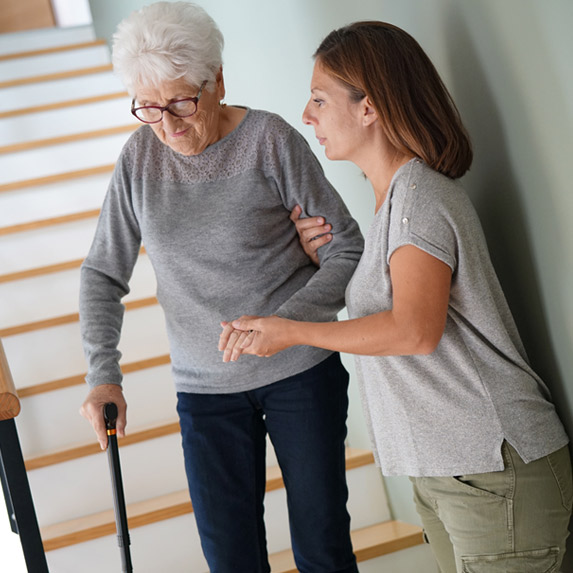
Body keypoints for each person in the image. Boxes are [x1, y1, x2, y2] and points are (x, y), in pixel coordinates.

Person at [222, 21, 573, 573]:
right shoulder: (396, 203)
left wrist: (290, 332)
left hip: (491, 466)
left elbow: (413, 330)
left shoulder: (419, 199)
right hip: (452, 470)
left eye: (319, 99)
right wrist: (321, 260)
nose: (307, 115)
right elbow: (394, 304)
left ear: (369, 107)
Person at [78, 3, 364, 572]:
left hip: (300, 373)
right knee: (230, 560)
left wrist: (285, 325)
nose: (169, 126)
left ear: (218, 82)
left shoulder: (269, 140)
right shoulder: (139, 159)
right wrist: (102, 374)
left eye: (182, 103)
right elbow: (101, 274)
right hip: (204, 391)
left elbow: (346, 248)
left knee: (323, 548)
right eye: (149, 108)